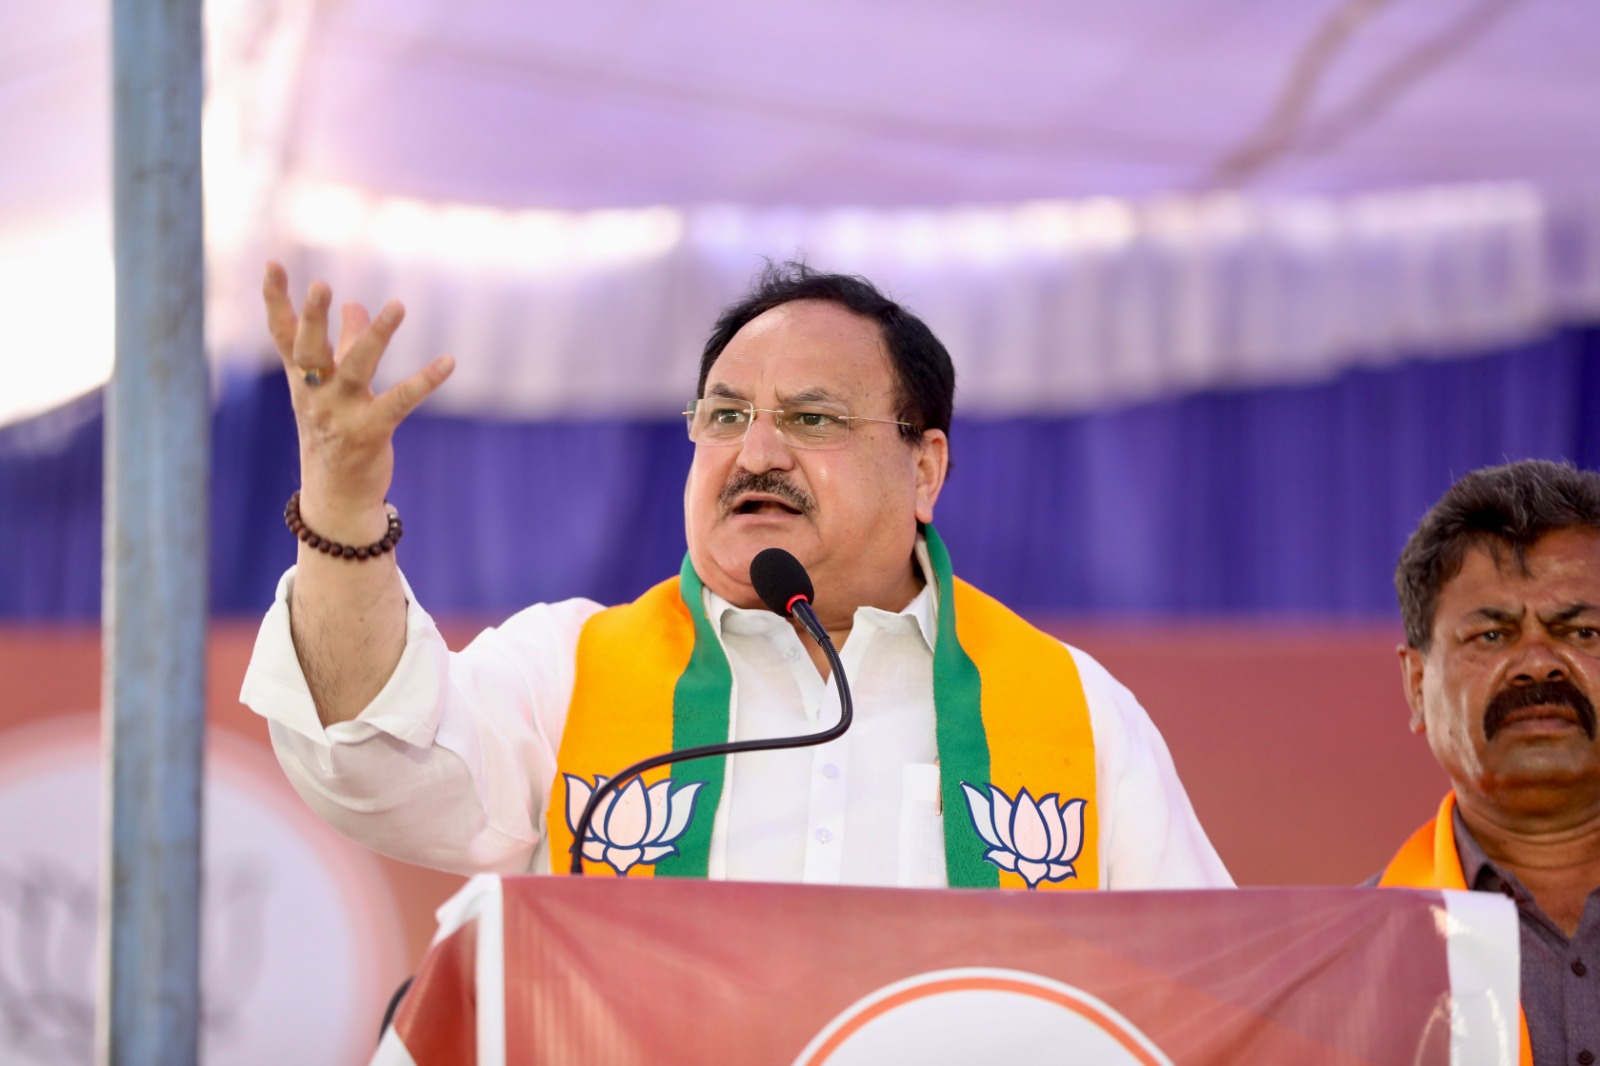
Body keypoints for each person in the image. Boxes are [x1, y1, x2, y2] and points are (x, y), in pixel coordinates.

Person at [241, 259, 1231, 891]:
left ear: (924, 467)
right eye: (722, 415)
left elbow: (1202, 1003)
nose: (755, 450)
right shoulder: (572, 668)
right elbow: (369, 758)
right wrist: (339, 503)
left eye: (811, 418)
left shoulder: (1074, 711)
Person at [1380, 459, 1600, 1066]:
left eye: (1583, 632)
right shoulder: (1350, 963)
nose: (1538, 664)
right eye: (1493, 636)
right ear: (1417, 685)